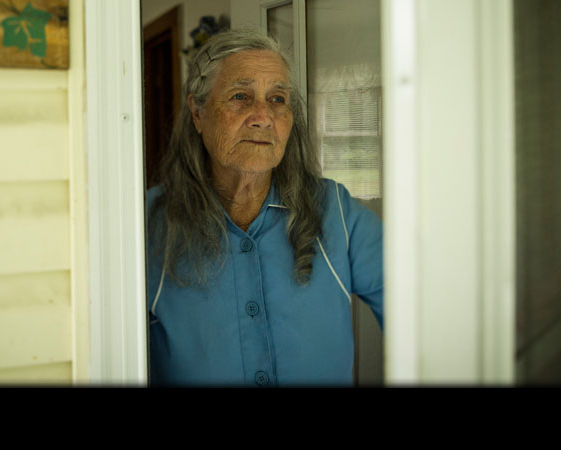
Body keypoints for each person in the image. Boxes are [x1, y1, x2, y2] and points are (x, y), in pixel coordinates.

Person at [146, 29, 383, 386]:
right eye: (240, 96)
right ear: (198, 112)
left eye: (277, 99)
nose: (262, 116)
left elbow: (421, 305)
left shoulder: (335, 211)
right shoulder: (147, 224)